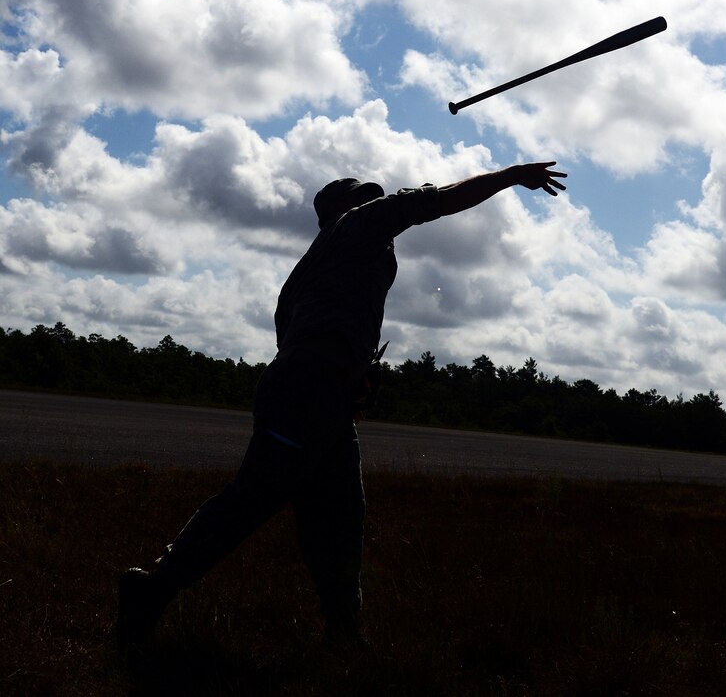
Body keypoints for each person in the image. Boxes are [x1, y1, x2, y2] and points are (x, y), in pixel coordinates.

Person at [117, 161, 567, 650]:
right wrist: (510, 175)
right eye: (367, 195)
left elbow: (291, 334)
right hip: (310, 392)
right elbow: (439, 200)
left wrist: (352, 375)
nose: (377, 199)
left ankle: (343, 631)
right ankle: (154, 587)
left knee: (338, 515)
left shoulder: (310, 270)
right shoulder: (361, 224)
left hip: (315, 394)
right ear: (342, 210)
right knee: (254, 499)